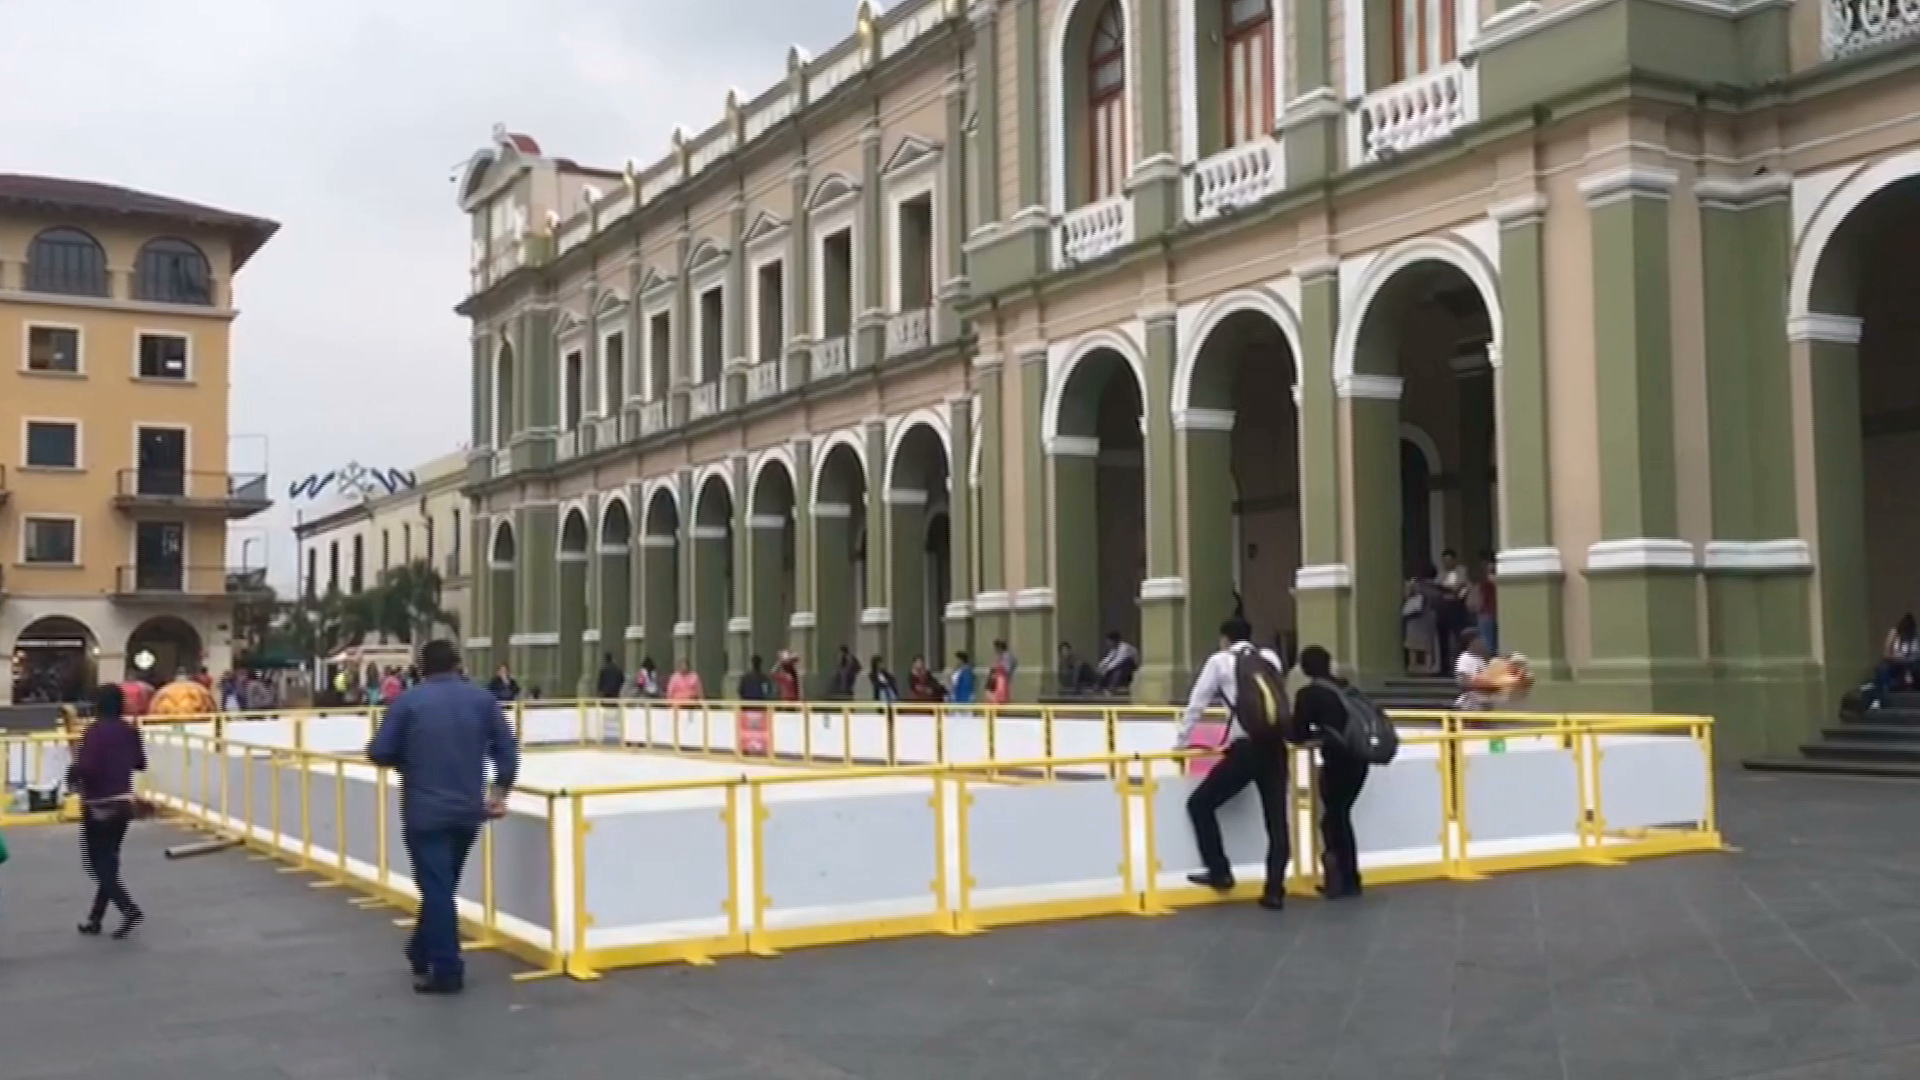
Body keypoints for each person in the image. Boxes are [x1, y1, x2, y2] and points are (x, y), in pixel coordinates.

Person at [365, 640, 519, 995]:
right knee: (442, 885)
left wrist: (407, 758)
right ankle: (420, 950)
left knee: (436, 887)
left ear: (422, 667)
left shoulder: (409, 702)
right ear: (458, 664)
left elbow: (380, 751)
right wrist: (499, 793)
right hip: (468, 810)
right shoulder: (482, 700)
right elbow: (507, 749)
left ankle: (448, 969)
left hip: (425, 811)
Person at [1177, 616, 1290, 911]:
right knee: (1277, 821)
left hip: (1246, 749)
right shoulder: (1269, 658)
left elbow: (1196, 704)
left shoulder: (1220, 661)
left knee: (1200, 804)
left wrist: (1180, 743)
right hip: (1276, 748)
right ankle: (1275, 890)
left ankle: (1220, 871)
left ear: (1224, 638)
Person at [71, 684, 147, 939]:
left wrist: (74, 775)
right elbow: (140, 763)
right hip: (124, 804)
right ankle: (95, 919)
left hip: (98, 805)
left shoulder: (94, 732)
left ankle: (128, 908)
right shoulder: (129, 730)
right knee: (109, 862)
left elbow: (87, 767)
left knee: (95, 864)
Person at [1293, 646, 1367, 899]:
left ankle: (1341, 880)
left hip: (1338, 761)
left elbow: (1296, 733)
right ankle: (1350, 877)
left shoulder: (1309, 695)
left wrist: (1317, 736)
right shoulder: (1346, 688)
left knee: (1334, 819)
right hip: (1360, 758)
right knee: (1341, 817)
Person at [1873, 613, 1920, 709]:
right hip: (1896, 662)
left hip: (1913, 662)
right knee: (1881, 668)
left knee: (1915, 665)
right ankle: (1881, 698)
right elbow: (1886, 654)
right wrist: (1898, 659)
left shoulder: (1916, 635)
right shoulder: (1894, 633)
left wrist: (1909, 660)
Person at [1452, 628, 1501, 711]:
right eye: (1479, 640)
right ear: (1472, 642)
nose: (1482, 643)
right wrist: (1483, 684)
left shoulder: (1481, 659)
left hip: (1483, 704)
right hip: (1471, 706)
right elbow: (1463, 682)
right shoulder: (1465, 658)